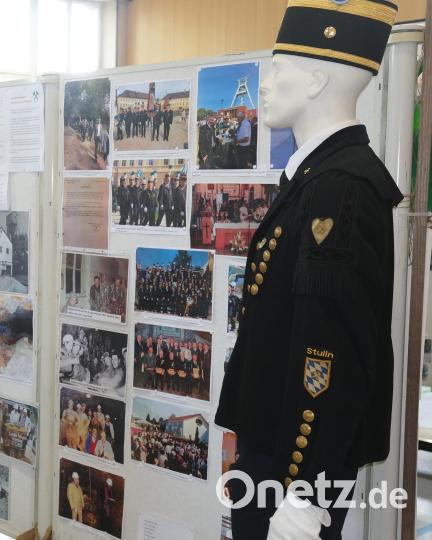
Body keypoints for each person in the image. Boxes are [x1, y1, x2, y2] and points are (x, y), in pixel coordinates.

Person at [216, 3, 401, 538]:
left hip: (291, 465)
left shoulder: (338, 191)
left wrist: (302, 489)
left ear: (318, 80)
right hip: (273, 447)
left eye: (279, 71)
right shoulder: (316, 179)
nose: (265, 85)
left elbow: (331, 354)